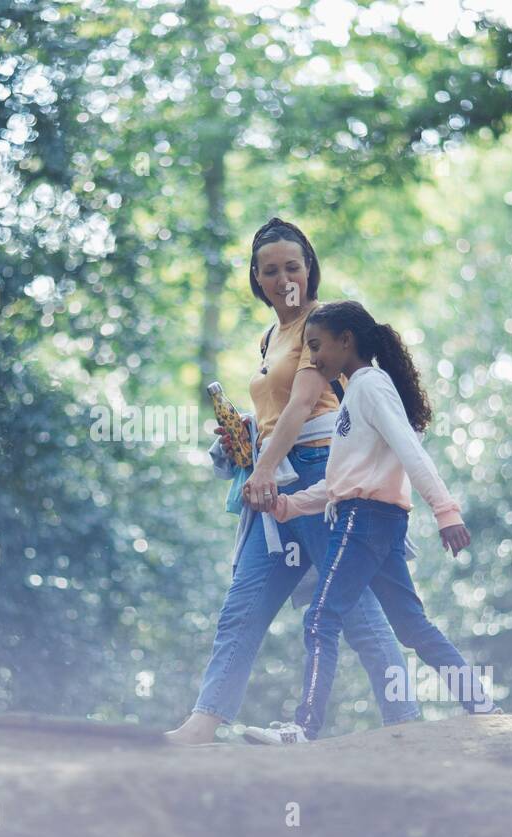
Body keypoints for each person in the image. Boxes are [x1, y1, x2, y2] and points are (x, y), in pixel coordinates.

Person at [165, 221, 416, 746]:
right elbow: (280, 412)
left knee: (355, 608)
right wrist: (246, 439)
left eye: (293, 267)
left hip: (321, 476)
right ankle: (205, 719)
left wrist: (260, 469)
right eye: (271, 270)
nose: (284, 279)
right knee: (244, 603)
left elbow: (304, 403)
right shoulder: (270, 337)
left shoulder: (319, 326)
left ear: (310, 269)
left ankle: (405, 721)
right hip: (275, 481)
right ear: (256, 279)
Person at [244, 299, 499, 745]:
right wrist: (288, 506)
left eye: (318, 345)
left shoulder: (370, 386)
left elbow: (410, 450)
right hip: (376, 521)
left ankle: (303, 728)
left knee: (322, 617)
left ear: (347, 341)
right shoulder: (354, 395)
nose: (314, 356)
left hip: (363, 522)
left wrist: (446, 511)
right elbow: (340, 483)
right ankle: (483, 706)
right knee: (413, 626)